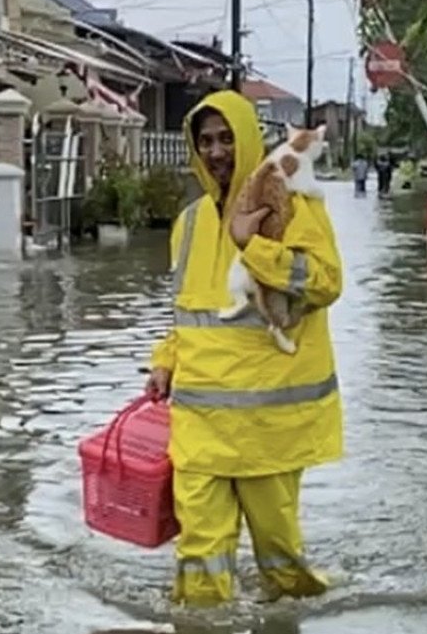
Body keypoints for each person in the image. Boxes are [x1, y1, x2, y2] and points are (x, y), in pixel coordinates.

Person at [144, 90, 345, 607]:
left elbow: (325, 282)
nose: (216, 151)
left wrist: (250, 244)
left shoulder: (294, 205)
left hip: (267, 426)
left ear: (250, 139)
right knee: (200, 559)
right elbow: (191, 311)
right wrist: (165, 361)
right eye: (205, 140)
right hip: (199, 422)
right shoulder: (188, 222)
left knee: (281, 564)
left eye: (226, 137)